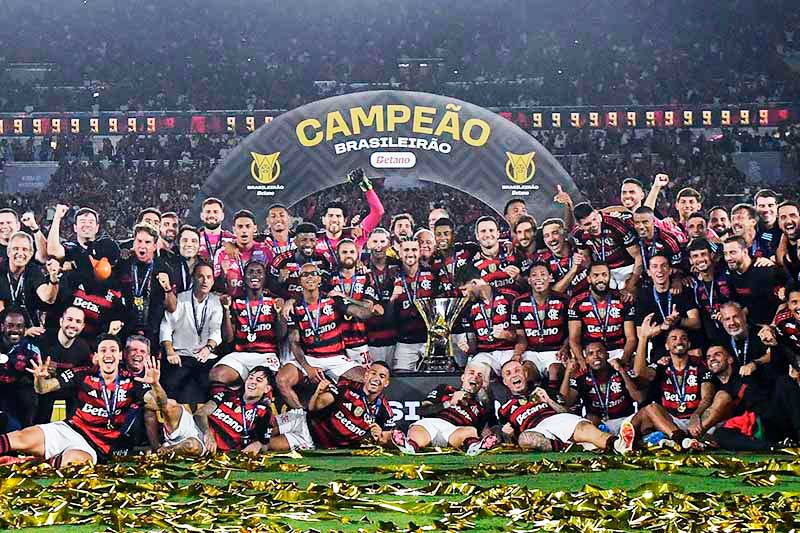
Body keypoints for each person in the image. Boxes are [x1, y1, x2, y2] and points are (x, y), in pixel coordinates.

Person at [0, 335, 160, 465]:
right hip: (70, 429)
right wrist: (39, 379)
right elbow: (43, 389)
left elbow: (159, 403)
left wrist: (155, 385)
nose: (108, 354)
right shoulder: (82, 374)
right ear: (96, 356)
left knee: (73, 464)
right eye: (103, 350)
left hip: (95, 446)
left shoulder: (132, 382)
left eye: (113, 350)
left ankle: (33, 462)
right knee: (21, 438)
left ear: (120, 355)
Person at [276, 263, 376, 409]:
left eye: (313, 274)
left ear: (319, 279)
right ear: (300, 281)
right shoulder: (294, 307)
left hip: (336, 358)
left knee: (367, 380)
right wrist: (308, 368)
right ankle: (303, 417)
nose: (310, 277)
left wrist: (347, 298)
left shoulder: (333, 300)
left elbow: (363, 313)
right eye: (305, 274)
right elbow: (294, 344)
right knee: (281, 380)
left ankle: (361, 417)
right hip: (310, 357)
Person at [498, 359, 632, 453]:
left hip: (558, 419)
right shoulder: (504, 409)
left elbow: (567, 412)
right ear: (504, 382)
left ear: (525, 374)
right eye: (508, 374)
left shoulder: (545, 390)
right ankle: (572, 446)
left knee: (586, 430)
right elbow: (512, 441)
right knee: (525, 439)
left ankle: (618, 444)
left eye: (517, 370)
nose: (514, 375)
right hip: (537, 430)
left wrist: (549, 401)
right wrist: (507, 434)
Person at [631, 321, 720, 449]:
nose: (679, 341)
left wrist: (696, 416)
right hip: (671, 422)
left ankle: (678, 440)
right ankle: (682, 440)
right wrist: (643, 339)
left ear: (689, 344)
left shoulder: (700, 365)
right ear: (667, 346)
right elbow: (639, 374)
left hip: (696, 422)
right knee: (651, 408)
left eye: (683, 338)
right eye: (674, 338)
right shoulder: (661, 365)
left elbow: (707, 398)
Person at [269, 361, 395, 450]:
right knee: (267, 429)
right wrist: (318, 392)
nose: (376, 378)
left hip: (311, 441)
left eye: (382, 376)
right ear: (366, 375)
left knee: (267, 445)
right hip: (302, 419)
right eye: (373, 373)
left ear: (386, 383)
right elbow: (314, 407)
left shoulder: (384, 410)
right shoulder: (347, 387)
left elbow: (391, 441)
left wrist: (380, 437)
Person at [391, 362, 499, 456]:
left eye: (480, 375)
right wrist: (449, 403)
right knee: (417, 429)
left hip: (454, 431)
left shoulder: (481, 408)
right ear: (463, 377)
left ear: (482, 383)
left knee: (471, 431)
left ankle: (474, 448)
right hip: (431, 423)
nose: (475, 377)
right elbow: (422, 410)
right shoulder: (445, 389)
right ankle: (410, 446)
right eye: (471, 373)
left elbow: (482, 431)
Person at [215, 261, 285, 393]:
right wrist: (226, 310)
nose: (255, 275)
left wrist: (279, 314)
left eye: (259, 272)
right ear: (244, 277)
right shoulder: (235, 302)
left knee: (265, 380)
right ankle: (223, 403)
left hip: (266, 355)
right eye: (250, 272)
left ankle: (263, 404)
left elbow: (281, 336)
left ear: (265, 277)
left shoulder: (274, 301)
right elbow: (228, 338)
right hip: (241, 354)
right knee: (217, 374)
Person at [160, 262, 223, 404]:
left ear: (213, 281)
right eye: (201, 276)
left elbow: (216, 330)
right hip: (181, 355)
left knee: (207, 385)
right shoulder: (180, 299)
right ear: (193, 278)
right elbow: (166, 326)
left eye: (209, 277)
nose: (205, 281)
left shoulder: (215, 302)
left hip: (205, 356)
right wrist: (170, 351)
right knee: (177, 386)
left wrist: (208, 348)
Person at [561, 342, 643, 434]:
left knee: (647, 411)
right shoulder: (581, 377)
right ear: (586, 359)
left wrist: (621, 371)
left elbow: (639, 398)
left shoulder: (620, 369)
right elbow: (565, 401)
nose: (596, 356)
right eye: (591, 354)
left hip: (625, 419)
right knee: (589, 418)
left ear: (607, 355)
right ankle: (608, 439)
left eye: (599, 352)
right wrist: (568, 373)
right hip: (600, 423)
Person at [115, 223, 176, 348]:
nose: (142, 246)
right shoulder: (123, 264)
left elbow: (172, 308)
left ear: (154, 246)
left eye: (147, 242)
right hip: (123, 328)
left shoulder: (164, 268)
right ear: (133, 243)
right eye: (139, 241)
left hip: (152, 332)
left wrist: (167, 288)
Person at [510, 262, 569, 390]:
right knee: (524, 373)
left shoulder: (563, 300)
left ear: (550, 278)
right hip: (531, 351)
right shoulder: (519, 302)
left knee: (555, 371)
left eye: (543, 274)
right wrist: (517, 353)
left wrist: (565, 348)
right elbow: (520, 336)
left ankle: (553, 399)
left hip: (555, 351)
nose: (538, 278)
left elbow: (571, 332)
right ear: (529, 280)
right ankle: (529, 401)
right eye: (534, 275)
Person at [30, 306, 93, 424]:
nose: (73, 324)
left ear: (82, 326)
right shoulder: (42, 339)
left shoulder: (84, 348)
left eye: (78, 321)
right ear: (61, 321)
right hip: (41, 392)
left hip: (68, 392)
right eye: (69, 319)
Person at [193, 366, 275, 455]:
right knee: (179, 409)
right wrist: (207, 433)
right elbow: (200, 414)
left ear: (267, 389)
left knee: (191, 445)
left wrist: (258, 444)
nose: (252, 382)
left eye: (258, 380)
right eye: (250, 378)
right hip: (199, 429)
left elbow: (264, 443)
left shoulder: (264, 413)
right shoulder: (227, 395)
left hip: (207, 446)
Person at [634, 253, 700, 358]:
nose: (660, 270)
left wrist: (678, 320)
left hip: (686, 346)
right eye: (654, 266)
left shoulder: (683, 290)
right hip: (660, 350)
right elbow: (641, 333)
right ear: (649, 272)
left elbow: (696, 322)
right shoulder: (643, 296)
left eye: (663, 266)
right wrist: (662, 326)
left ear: (670, 270)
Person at [568, 262, 637, 364]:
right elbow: (574, 339)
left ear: (610, 277)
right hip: (591, 351)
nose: (601, 279)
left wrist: (624, 360)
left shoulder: (623, 300)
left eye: (604, 275)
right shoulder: (577, 302)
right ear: (589, 279)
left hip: (618, 350)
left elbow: (631, 338)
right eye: (596, 275)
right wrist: (582, 361)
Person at [454, 266, 517, 377]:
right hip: (484, 354)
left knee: (513, 374)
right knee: (473, 375)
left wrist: (507, 335)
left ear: (474, 283)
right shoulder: (467, 307)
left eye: (464, 289)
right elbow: (472, 344)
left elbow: (523, 336)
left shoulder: (509, 297)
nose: (464, 294)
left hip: (509, 350)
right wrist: (468, 347)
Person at [572, 202, 642, 299]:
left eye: (594, 219)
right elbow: (586, 258)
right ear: (579, 226)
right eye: (587, 224)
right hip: (605, 271)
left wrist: (631, 284)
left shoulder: (615, 223)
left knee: (631, 295)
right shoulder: (578, 234)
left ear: (597, 213)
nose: (594, 225)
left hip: (627, 267)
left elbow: (638, 256)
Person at [388, 238, 438, 372]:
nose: (410, 253)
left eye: (414, 249)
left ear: (420, 252)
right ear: (399, 253)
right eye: (406, 250)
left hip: (429, 339)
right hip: (404, 340)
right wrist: (392, 299)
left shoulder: (432, 275)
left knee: (434, 377)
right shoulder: (392, 277)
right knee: (401, 377)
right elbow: (387, 314)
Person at [328, 239, 378, 365]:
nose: (348, 255)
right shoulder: (328, 278)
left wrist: (342, 296)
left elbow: (368, 307)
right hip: (334, 341)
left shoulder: (366, 277)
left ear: (357, 254)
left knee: (363, 375)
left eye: (352, 252)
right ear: (337, 255)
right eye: (344, 252)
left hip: (359, 340)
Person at [0, 232, 56, 326]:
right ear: (8, 252)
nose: (20, 253)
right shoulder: (1, 270)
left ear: (31, 254)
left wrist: (53, 278)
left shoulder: (33, 270)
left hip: (31, 326)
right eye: (15, 249)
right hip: (5, 327)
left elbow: (47, 298)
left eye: (25, 249)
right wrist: (24, 331)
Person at [213, 210, 272, 298]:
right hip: (231, 302)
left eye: (248, 226)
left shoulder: (266, 251)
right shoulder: (222, 253)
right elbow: (215, 285)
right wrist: (223, 273)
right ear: (234, 229)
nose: (244, 230)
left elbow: (271, 280)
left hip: (258, 302)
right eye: (240, 226)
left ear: (254, 228)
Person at [722, 236, 781, 325]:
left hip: (773, 326)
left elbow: (783, 300)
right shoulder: (730, 274)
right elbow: (737, 302)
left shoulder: (765, 269)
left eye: (732, 252)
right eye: (725, 253)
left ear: (745, 252)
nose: (728, 258)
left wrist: (773, 326)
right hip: (750, 326)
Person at [364, 228, 400, 367]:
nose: (379, 246)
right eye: (375, 241)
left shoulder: (398, 264)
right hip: (370, 336)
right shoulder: (361, 265)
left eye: (382, 241)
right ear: (368, 243)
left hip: (395, 334)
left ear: (389, 244)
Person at [533, 218, 588, 296]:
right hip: (562, 302)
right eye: (546, 236)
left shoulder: (579, 247)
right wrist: (573, 270)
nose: (551, 239)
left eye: (555, 233)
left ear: (564, 234)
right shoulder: (543, 261)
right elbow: (551, 293)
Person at [470, 216, 521, 294]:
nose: (487, 235)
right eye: (483, 231)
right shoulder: (473, 265)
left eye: (491, 230)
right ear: (477, 236)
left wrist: (518, 278)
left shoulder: (514, 252)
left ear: (498, 234)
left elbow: (530, 285)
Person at [197, 197, 234, 263]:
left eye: (215, 212)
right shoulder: (195, 239)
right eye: (208, 212)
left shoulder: (232, 239)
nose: (211, 215)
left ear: (222, 216)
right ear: (202, 216)